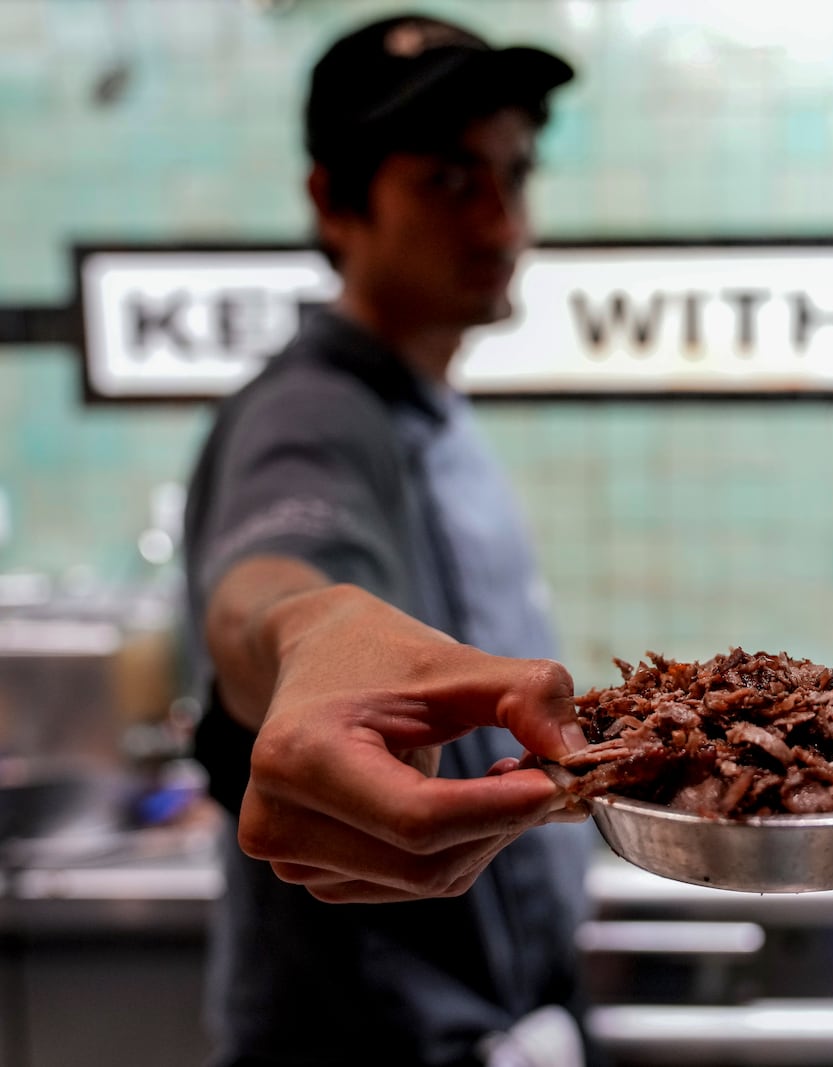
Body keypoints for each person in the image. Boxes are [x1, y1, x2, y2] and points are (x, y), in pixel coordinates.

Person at [182, 13, 595, 1067]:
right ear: (335, 200)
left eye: (513, 175)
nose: (502, 223)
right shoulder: (313, 413)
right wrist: (306, 633)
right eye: (451, 180)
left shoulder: (426, 408)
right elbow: (269, 575)